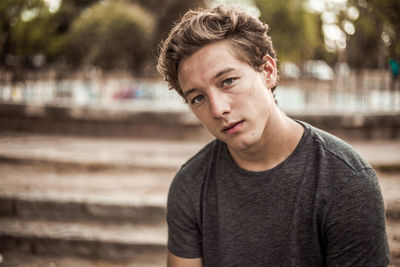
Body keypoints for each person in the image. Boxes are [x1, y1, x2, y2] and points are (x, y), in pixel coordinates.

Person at [157, 5, 390, 267]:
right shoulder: (191, 184)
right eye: (198, 97)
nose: (218, 109)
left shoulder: (346, 181)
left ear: (267, 71)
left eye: (228, 81)